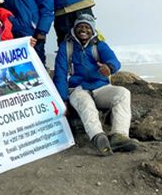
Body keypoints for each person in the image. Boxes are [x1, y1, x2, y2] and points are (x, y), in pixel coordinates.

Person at [52, 14, 138, 156]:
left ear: (92, 30)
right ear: (75, 28)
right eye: (80, 26)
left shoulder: (99, 45)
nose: (83, 30)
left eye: (87, 27)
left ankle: (119, 136)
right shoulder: (66, 47)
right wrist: (63, 100)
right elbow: (60, 75)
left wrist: (109, 67)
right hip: (77, 89)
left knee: (123, 94)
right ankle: (98, 137)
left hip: (100, 87)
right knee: (86, 104)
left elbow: (114, 60)